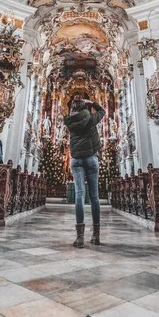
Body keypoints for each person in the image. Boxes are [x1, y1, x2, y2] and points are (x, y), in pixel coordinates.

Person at [63, 95, 105, 248]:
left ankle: (80, 238)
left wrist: (74, 109)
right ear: (85, 107)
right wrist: (92, 102)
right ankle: (96, 235)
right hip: (91, 158)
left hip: (76, 159)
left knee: (80, 195)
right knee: (94, 196)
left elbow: (69, 116)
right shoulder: (91, 118)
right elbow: (102, 111)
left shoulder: (70, 121)